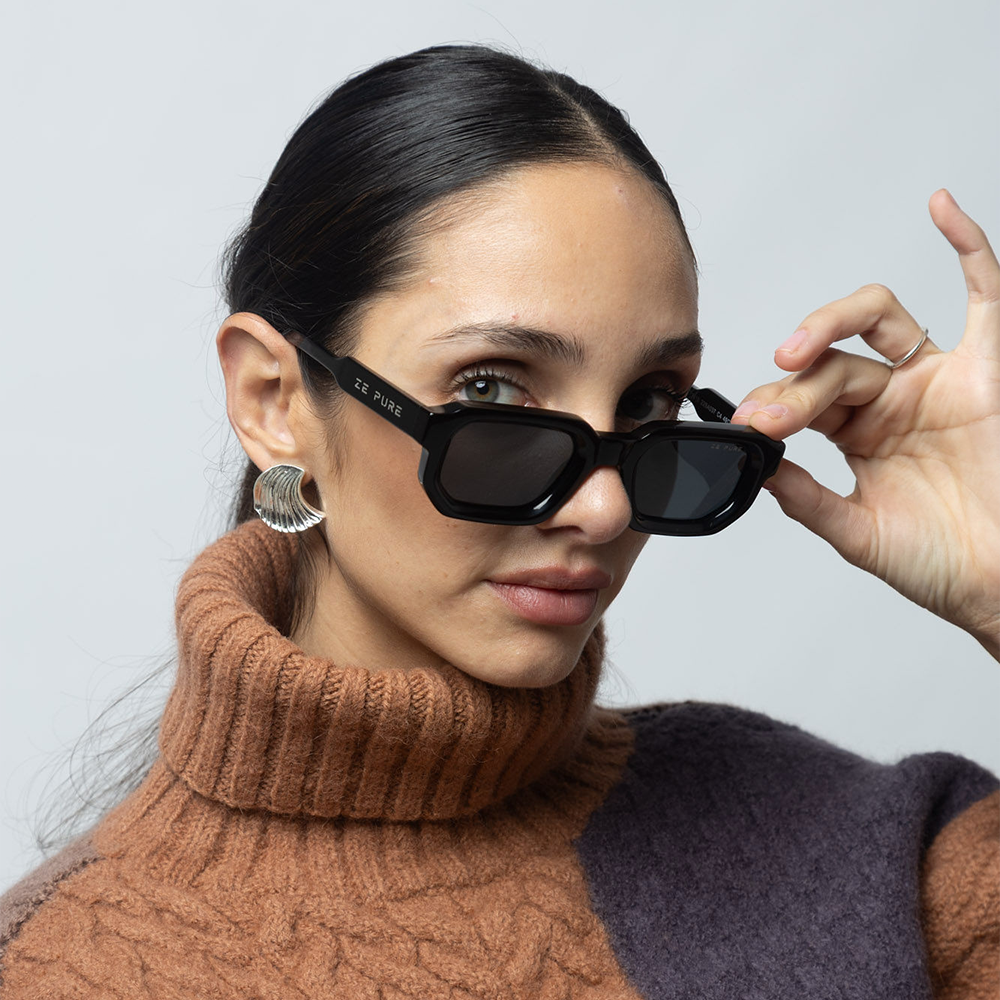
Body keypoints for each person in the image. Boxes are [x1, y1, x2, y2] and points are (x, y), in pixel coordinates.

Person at [0, 43, 996, 999]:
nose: (604, 507)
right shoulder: (60, 968)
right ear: (275, 399)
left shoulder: (853, 851)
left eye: (649, 397)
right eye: (493, 387)